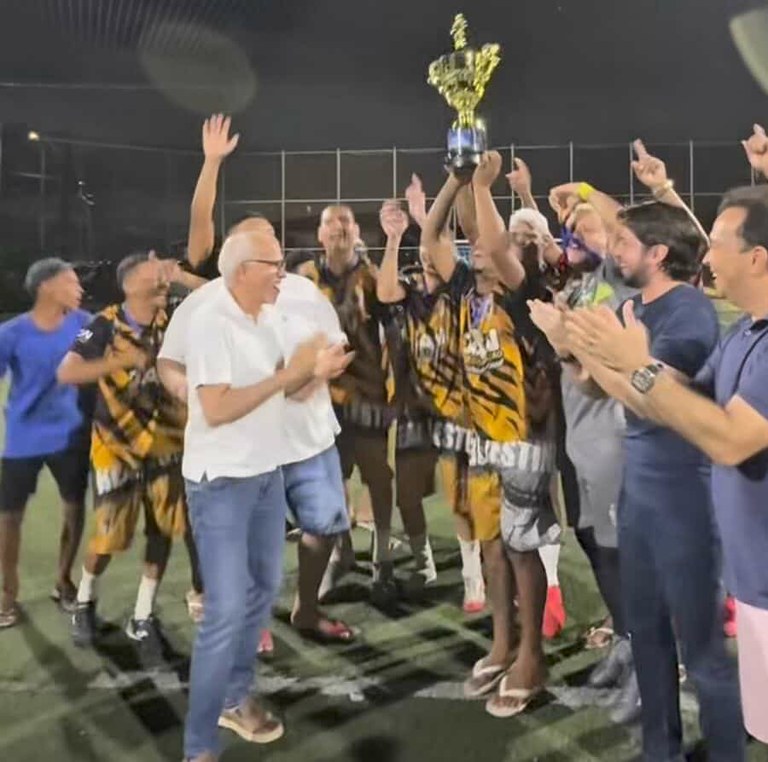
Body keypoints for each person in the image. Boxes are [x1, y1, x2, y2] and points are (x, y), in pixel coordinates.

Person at [538, 187, 744, 759]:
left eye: (624, 242)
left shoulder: (689, 310)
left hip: (685, 493)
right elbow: (592, 387)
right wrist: (568, 348)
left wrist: (592, 352)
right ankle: (661, 750)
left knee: (701, 650)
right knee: (648, 638)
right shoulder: (636, 307)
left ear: (657, 254)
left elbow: (654, 397)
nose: (613, 250)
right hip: (641, 490)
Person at [180, 231, 350, 761]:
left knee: (262, 590)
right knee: (227, 608)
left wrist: (315, 368)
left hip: (265, 476)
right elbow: (217, 408)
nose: (283, 272)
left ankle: (233, 697)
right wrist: (291, 376)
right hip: (221, 482)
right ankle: (199, 745)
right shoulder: (211, 321)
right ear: (241, 271)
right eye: (272, 264)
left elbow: (297, 370)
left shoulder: (269, 317)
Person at [422, 153, 560, 718]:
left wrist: (482, 186)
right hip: (479, 437)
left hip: (524, 436)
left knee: (523, 548)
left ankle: (532, 657)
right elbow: (431, 236)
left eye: (500, 240)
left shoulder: (526, 294)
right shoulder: (464, 292)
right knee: (493, 547)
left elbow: (498, 245)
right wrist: (455, 178)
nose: (479, 243)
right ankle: (502, 644)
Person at [159, 261, 357, 647]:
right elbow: (169, 360)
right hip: (244, 445)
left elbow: (337, 344)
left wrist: (324, 366)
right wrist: (187, 390)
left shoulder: (304, 291)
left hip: (310, 439)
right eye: (267, 260)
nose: (279, 268)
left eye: (278, 259)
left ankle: (306, 609)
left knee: (325, 526)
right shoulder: (204, 303)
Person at [58, 252, 196, 666]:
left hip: (168, 445)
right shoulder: (103, 324)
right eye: (156, 278)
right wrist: (120, 360)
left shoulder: (176, 320)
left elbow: (223, 295)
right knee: (109, 536)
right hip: (116, 446)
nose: (163, 284)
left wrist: (182, 276)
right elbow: (67, 372)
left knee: (162, 532)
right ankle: (85, 601)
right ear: (130, 284)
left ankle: (143, 615)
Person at [306, 205, 395, 605]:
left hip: (367, 394)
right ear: (319, 234)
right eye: (330, 222)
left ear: (357, 232)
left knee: (378, 477)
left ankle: (382, 559)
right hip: (322, 399)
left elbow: (395, 335)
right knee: (331, 481)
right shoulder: (304, 280)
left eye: (345, 221)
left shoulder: (373, 277)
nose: (338, 228)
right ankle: (341, 552)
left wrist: (396, 390)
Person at [0, 259, 91, 627]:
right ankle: (7, 593)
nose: (80, 289)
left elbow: (99, 354)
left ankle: (63, 581)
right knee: (9, 516)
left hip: (70, 435)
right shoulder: (12, 333)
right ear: (46, 287)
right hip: (23, 439)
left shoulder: (85, 325)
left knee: (74, 509)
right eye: (71, 283)